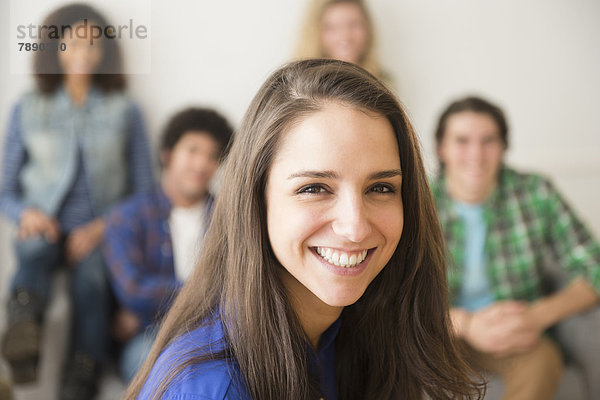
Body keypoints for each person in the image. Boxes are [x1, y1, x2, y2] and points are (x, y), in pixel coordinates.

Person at [125, 59, 482, 400]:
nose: (355, 227)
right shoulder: (210, 388)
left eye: (381, 188)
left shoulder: (348, 332)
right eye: (314, 188)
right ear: (256, 199)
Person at [0, 4, 154, 399]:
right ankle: (23, 328)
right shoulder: (29, 107)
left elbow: (144, 190)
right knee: (34, 249)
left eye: (93, 45)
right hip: (44, 224)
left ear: (106, 52)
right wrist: (27, 213)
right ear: (56, 48)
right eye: (72, 43)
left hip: (101, 228)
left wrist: (102, 227)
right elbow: (5, 189)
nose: (83, 54)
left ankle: (82, 373)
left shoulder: (126, 109)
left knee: (92, 279)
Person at [430, 96, 600, 400]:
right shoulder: (417, 202)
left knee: (543, 362)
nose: (476, 154)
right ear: (442, 148)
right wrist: (467, 324)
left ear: (504, 147)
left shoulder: (536, 193)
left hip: (517, 332)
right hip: (441, 331)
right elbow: (391, 293)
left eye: (488, 141)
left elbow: (595, 268)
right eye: (462, 141)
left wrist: (537, 316)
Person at [103, 107, 233, 383]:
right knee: (158, 366)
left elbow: (238, 286)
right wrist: (206, 291)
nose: (201, 165)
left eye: (212, 156)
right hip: (150, 335)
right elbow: (133, 290)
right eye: (193, 150)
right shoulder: (128, 216)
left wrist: (149, 308)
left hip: (217, 330)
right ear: (167, 154)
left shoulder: (230, 217)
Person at [295, 0, 392, 84]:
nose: (345, 36)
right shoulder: (296, 84)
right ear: (315, 33)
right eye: (332, 27)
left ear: (367, 27)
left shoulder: (385, 82)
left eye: (354, 24)